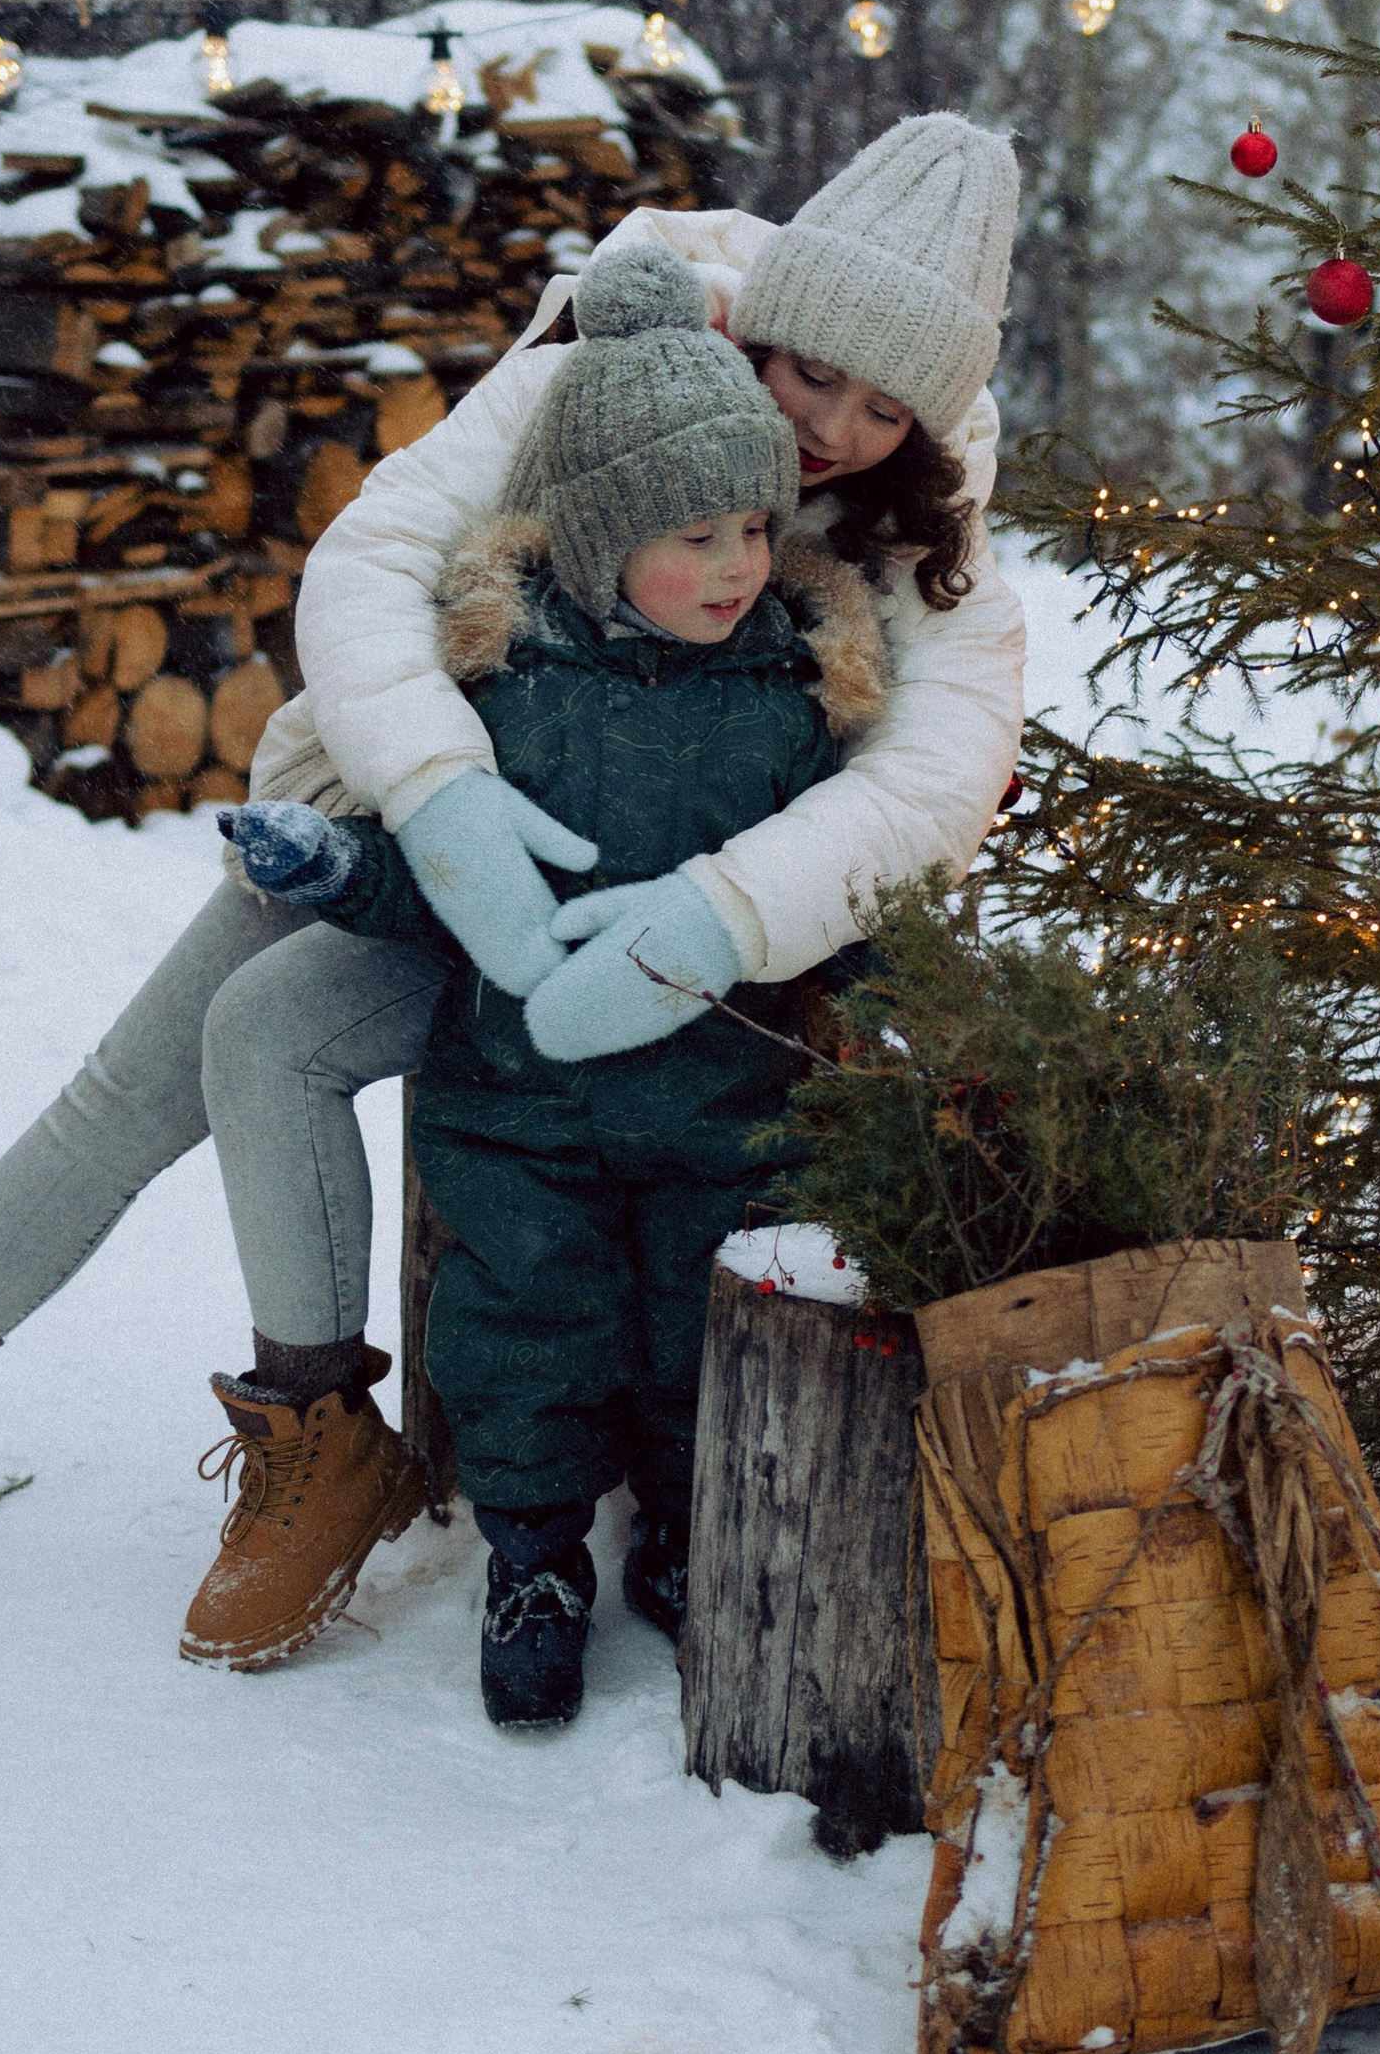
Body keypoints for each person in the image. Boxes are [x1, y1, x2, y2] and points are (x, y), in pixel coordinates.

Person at [0, 113, 1024, 1669]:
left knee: (269, 1036)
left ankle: (334, 1438)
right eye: (813, 373)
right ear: (770, 317)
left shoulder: (936, 539)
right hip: (418, 820)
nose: (832, 430)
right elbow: (376, 555)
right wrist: (445, 803)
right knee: (144, 1072)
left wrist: (715, 915)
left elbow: (932, 781)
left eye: (883, 406)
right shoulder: (618, 362)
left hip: (656, 929)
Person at [219, 243, 885, 1726]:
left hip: (726, 1111)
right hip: (520, 1115)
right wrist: (334, 867)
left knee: (692, 1347)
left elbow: (830, 891)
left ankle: (683, 1534)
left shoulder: (790, 705)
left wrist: (890, 966)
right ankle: (533, 1560)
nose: (732, 567)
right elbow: (445, 885)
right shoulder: (505, 688)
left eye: (750, 531)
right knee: (524, 1338)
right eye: (691, 536)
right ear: (595, 539)